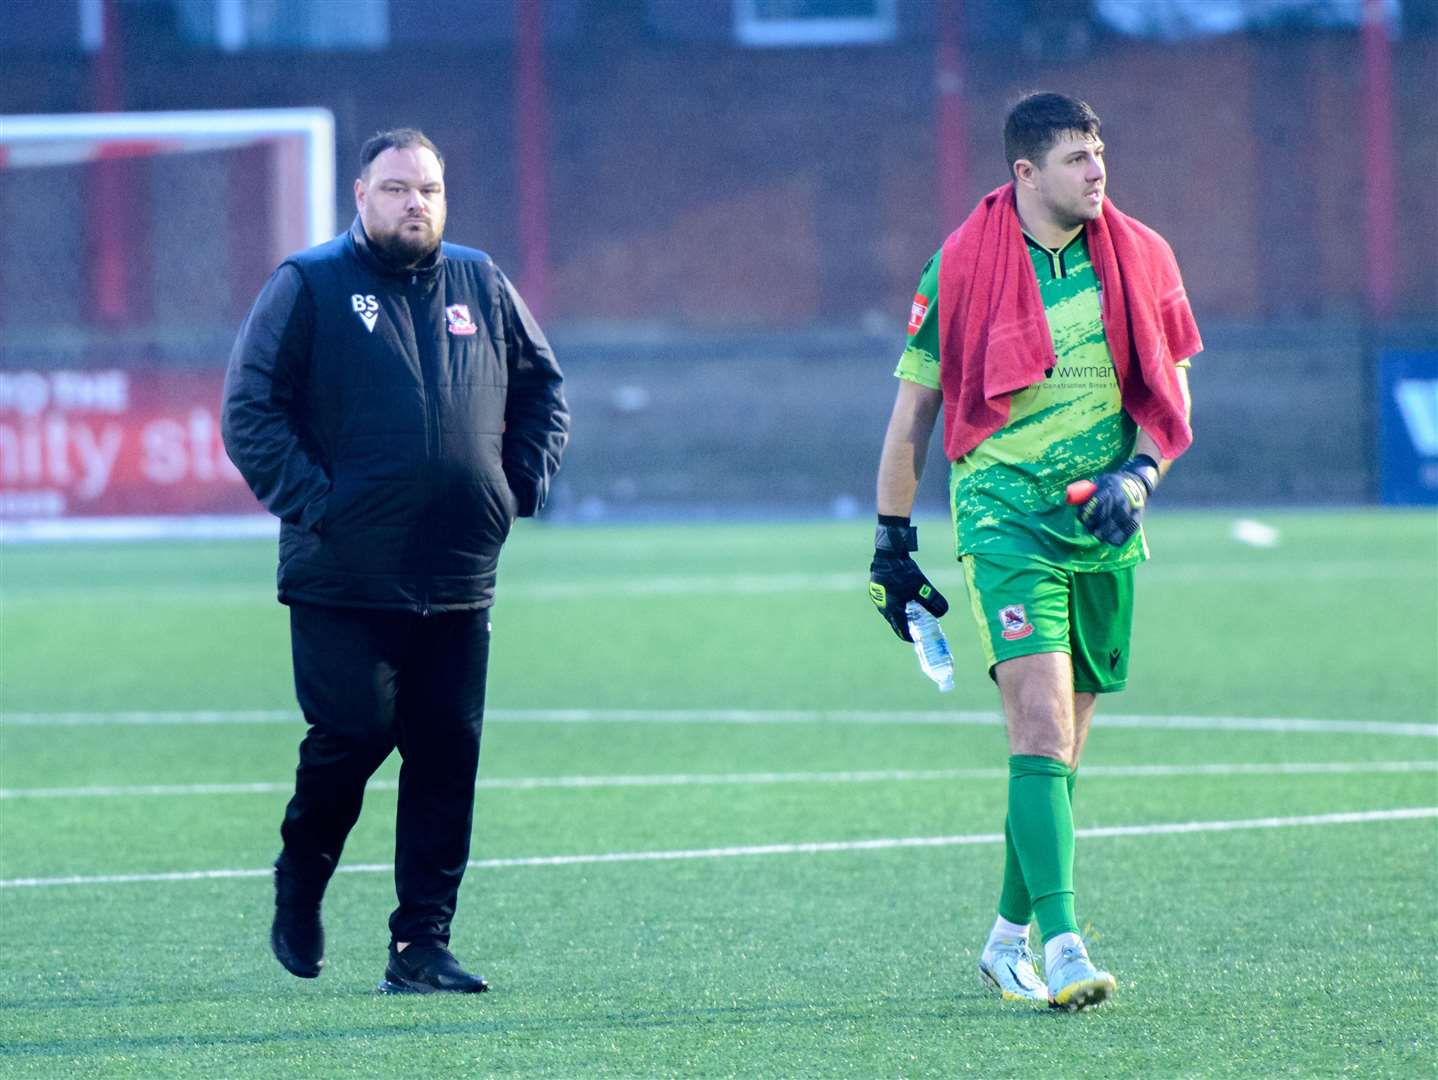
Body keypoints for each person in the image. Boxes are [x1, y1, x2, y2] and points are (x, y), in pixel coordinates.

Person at [868, 93, 1200, 1010]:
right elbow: (912, 418)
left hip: (1102, 523)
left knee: (1058, 756)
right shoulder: (961, 265)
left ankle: (1004, 938)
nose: (1097, 171)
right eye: (1075, 159)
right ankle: (1062, 947)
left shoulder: (1144, 256)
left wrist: (1137, 480)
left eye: (1100, 152)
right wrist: (892, 546)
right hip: (1003, 517)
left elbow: (1169, 405)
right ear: (1025, 173)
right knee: (1041, 732)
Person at [222, 128, 569, 994]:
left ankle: (421, 947)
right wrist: (320, 507)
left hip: (458, 570)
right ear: (359, 194)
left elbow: (542, 389)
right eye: (396, 188)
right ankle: (300, 880)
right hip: (343, 572)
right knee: (353, 738)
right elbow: (249, 409)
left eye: (431, 189)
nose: (416, 203)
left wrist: (512, 487)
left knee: (448, 755)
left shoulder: (480, 282)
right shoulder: (308, 284)